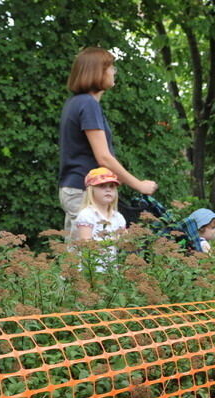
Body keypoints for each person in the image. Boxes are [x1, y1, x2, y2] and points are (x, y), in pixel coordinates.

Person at [59, 47, 157, 233]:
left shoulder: (76, 103)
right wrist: (140, 185)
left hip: (76, 189)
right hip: (85, 191)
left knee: (77, 258)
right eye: (110, 67)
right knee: (92, 258)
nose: (114, 71)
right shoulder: (88, 104)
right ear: (97, 72)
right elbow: (104, 157)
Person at [69, 167, 127, 269]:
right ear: (91, 190)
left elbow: (123, 244)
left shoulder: (118, 218)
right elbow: (86, 243)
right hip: (89, 269)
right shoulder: (87, 215)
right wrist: (111, 241)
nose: (108, 189)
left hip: (110, 269)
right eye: (102, 186)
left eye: (112, 186)